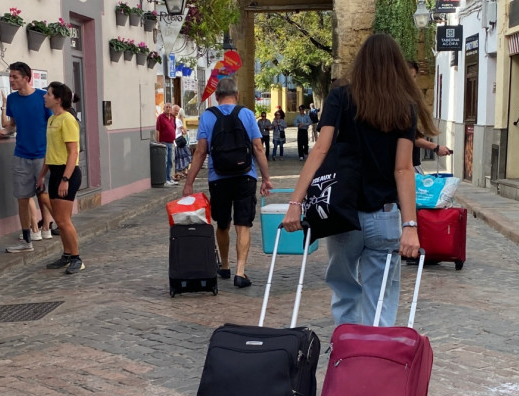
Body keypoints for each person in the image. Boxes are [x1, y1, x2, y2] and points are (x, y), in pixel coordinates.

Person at [281, 34, 432, 327]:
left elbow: (320, 150)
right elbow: (403, 170)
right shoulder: (404, 106)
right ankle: (375, 360)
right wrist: (410, 225)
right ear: (397, 67)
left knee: (344, 290)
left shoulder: (340, 98)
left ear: (361, 64)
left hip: (343, 213)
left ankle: (346, 354)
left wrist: (295, 203)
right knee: (381, 299)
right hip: (385, 215)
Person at [181, 77, 273, 288]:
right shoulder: (247, 114)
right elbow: (258, 148)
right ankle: (240, 272)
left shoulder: (208, 116)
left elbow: (201, 152)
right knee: (243, 224)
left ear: (216, 96)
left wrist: (189, 183)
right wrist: (266, 178)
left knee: (222, 224)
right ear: (237, 95)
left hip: (218, 179)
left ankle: (224, 265)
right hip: (245, 177)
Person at [0, 61, 54, 253]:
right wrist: (4, 131)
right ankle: (26, 240)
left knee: (44, 197)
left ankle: (65, 229)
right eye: (10, 76)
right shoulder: (12, 100)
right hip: (21, 154)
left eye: (15, 77)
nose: (11, 80)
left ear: (26, 79)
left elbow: (53, 124)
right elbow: (13, 125)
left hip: (42, 155)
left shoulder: (42, 98)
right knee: (22, 198)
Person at [41, 82, 86, 275]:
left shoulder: (68, 119)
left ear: (58, 99)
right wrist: (41, 174)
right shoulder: (52, 119)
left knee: (63, 219)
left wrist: (65, 179)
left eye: (48, 94)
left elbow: (73, 151)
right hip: (55, 172)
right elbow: (50, 151)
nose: (45, 96)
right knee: (59, 220)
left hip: (67, 173)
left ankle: (77, 258)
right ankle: (67, 255)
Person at [407, 61, 453, 167]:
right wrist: (435, 147)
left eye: (414, 77)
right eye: (409, 77)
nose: (412, 82)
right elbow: (410, 136)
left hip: (411, 164)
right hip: (406, 167)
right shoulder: (401, 102)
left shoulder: (409, 100)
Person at [157, 103, 178, 187]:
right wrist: (159, 142)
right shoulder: (160, 118)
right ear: (164, 108)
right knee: (165, 161)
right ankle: (165, 179)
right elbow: (158, 130)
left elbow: (174, 128)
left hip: (171, 142)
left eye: (170, 107)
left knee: (170, 161)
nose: (168, 108)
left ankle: (169, 178)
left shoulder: (173, 118)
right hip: (164, 142)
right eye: (167, 107)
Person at [174, 105, 192, 179]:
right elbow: (183, 131)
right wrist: (185, 130)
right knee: (186, 155)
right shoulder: (178, 121)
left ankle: (183, 171)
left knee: (181, 156)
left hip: (177, 140)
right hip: (179, 140)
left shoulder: (176, 120)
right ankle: (183, 171)